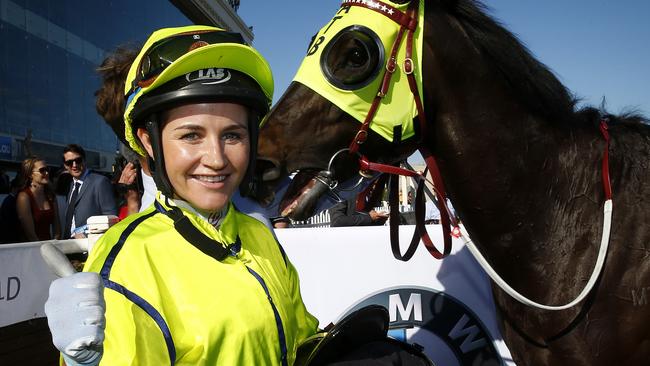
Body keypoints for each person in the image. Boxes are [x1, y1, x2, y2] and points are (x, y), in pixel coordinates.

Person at [45, 25, 318, 365]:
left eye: (232, 135)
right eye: (191, 135)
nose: (217, 159)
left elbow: (302, 341)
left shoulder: (259, 235)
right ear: (148, 142)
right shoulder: (128, 261)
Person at [62, 144, 117, 237]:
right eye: (69, 163)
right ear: (65, 166)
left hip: (91, 244)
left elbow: (111, 218)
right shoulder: (71, 185)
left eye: (78, 160)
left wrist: (85, 234)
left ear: (84, 160)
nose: (74, 165)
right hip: (69, 244)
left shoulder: (100, 182)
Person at [15, 157, 61, 241]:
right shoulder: (24, 197)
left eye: (47, 169)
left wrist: (55, 243)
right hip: (30, 249)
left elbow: (57, 228)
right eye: (42, 170)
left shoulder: (50, 195)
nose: (46, 173)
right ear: (30, 174)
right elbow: (31, 235)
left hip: (49, 247)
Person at [0, 177, 23, 243]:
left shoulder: (10, 200)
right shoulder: (10, 201)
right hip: (10, 236)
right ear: (14, 188)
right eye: (19, 188)